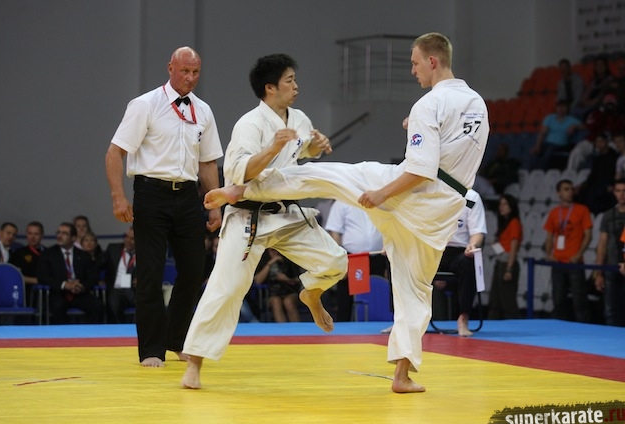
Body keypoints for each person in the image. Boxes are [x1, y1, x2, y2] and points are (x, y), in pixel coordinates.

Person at [200, 32, 489, 393]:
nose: (413, 70)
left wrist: (381, 194)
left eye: (415, 63)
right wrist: (414, 128)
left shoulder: (428, 104)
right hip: (442, 211)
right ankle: (402, 375)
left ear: (432, 61)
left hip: (409, 193)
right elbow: (453, 150)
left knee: (332, 176)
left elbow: (421, 169)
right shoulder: (476, 103)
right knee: (416, 287)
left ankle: (242, 189)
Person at [181, 53, 347, 388]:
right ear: (270, 88)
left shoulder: (298, 118)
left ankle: (312, 293)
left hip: (286, 213)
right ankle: (194, 363)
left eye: (294, 80)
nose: (296, 86)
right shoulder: (250, 124)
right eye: (289, 81)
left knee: (336, 261)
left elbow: (301, 150)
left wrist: (316, 146)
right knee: (226, 288)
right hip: (248, 216)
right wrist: (271, 149)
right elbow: (239, 172)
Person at [105, 46, 224, 367]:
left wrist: (215, 204)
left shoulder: (203, 110)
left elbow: (207, 162)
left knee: (194, 270)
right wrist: (118, 197)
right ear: (170, 68)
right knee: (150, 272)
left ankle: (176, 339)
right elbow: (114, 152)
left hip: (188, 195)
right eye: (185, 71)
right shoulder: (145, 104)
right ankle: (151, 349)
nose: (190, 78)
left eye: (195, 72)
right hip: (151, 194)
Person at [433, 189, 486, 335]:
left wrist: (473, 245)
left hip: (459, 251)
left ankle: (463, 318)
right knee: (400, 258)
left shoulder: (471, 197)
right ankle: (401, 320)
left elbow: (478, 232)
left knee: (469, 262)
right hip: (432, 250)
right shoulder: (429, 192)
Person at [325, 200, 388, 322]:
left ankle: (379, 324)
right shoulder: (342, 202)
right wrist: (340, 261)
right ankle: (344, 327)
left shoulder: (380, 200)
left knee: (379, 295)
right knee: (347, 298)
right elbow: (335, 232)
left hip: (378, 256)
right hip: (352, 257)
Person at [543, 179, 593, 323]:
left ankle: (583, 328)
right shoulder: (554, 212)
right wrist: (549, 254)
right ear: (558, 193)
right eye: (566, 189)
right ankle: (559, 329)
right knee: (558, 299)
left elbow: (588, 235)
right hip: (558, 262)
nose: (570, 192)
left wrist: (578, 255)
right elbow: (549, 236)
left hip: (574, 262)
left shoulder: (582, 210)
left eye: (571, 189)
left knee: (579, 300)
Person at [36, 222, 104, 324]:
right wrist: (65, 285)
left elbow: (93, 276)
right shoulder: (48, 254)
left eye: (64, 233)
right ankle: (62, 333)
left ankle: (88, 332)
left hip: (79, 293)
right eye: (58, 232)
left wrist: (81, 286)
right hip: (58, 293)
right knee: (58, 306)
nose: (59, 236)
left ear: (73, 238)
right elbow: (43, 277)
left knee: (98, 305)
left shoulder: (83, 255)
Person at [566, 93, 625, 173]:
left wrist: (613, 117)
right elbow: (591, 126)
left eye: (611, 104)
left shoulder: (619, 117)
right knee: (577, 151)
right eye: (608, 103)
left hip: (610, 142)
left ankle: (617, 172)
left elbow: (619, 131)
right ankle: (570, 173)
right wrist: (603, 115)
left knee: (620, 149)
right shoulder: (596, 113)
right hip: (593, 140)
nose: (609, 106)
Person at [594, 179, 625, 326]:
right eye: (618, 191)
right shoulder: (608, 215)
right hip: (611, 267)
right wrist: (599, 273)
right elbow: (602, 245)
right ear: (614, 193)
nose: (622, 194)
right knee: (611, 310)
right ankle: (612, 338)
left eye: (624, 191)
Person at [487, 194, 522, 320]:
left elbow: (513, 249)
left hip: (507, 263)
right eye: (500, 204)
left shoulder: (514, 223)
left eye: (505, 204)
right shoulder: (505, 223)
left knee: (507, 301)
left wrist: (509, 269)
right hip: (501, 262)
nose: (501, 207)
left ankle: (512, 325)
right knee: (495, 299)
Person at [529, 100, 584, 170]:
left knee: (548, 153)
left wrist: (575, 126)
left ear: (567, 109)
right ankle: (531, 172)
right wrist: (537, 146)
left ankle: (543, 172)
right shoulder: (550, 118)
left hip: (561, 144)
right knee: (534, 152)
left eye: (563, 107)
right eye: (559, 107)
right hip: (548, 143)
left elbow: (584, 126)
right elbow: (542, 133)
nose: (561, 109)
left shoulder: (571, 120)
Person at [254, 248, 302, 323]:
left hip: (290, 291)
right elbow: (258, 281)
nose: (275, 253)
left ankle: (297, 328)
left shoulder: (288, 260)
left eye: (277, 250)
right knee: (276, 301)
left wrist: (286, 279)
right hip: (271, 294)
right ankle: (282, 329)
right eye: (272, 251)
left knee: (288, 302)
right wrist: (270, 263)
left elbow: (299, 279)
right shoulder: (263, 261)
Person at [103, 226, 136, 324]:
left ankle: (137, 330)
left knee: (145, 304)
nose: (128, 241)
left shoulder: (145, 254)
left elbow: (151, 272)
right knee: (113, 302)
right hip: (117, 289)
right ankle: (119, 329)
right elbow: (97, 265)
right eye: (126, 237)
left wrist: (143, 280)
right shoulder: (113, 249)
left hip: (135, 290)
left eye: (132, 239)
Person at [10, 221, 46, 298]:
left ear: (42, 236)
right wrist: (37, 280)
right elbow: (15, 275)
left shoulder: (49, 253)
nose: (32, 237)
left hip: (47, 291)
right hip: (26, 292)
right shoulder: (19, 253)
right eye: (30, 233)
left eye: (36, 234)